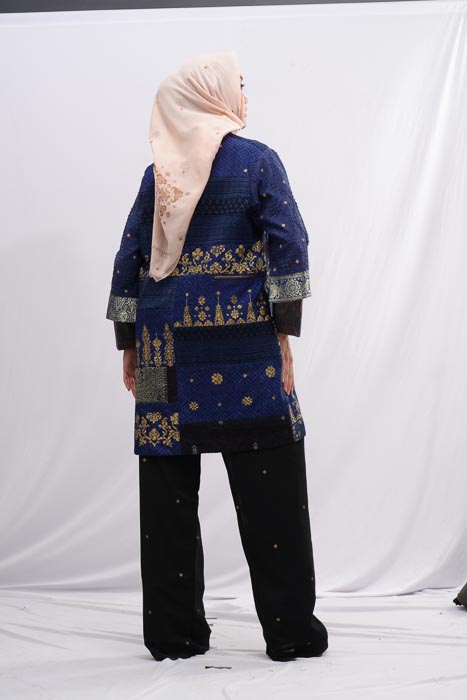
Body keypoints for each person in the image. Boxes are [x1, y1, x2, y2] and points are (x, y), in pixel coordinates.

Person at [105, 50, 328, 662]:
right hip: (246, 347)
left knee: (167, 492)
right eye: (240, 86)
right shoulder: (258, 161)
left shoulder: (159, 173)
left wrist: (129, 343)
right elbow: (290, 244)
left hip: (160, 351)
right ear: (213, 96)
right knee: (272, 489)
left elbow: (128, 257)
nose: (246, 97)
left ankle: (174, 635)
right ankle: (290, 633)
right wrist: (284, 333)